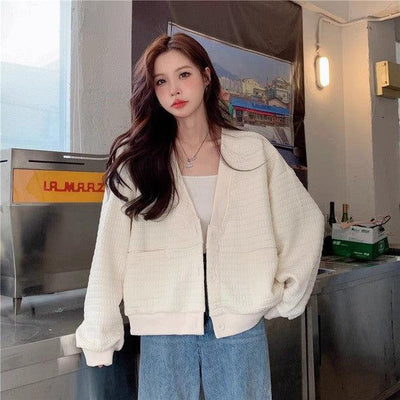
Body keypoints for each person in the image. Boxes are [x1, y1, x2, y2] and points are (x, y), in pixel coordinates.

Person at [75, 32, 325, 400]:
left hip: (238, 320)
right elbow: (109, 250)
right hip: (164, 323)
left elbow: (304, 221)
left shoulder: (252, 151)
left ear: (206, 76)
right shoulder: (138, 160)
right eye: (161, 81)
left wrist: (286, 295)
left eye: (184, 75)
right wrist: (99, 330)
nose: (174, 89)